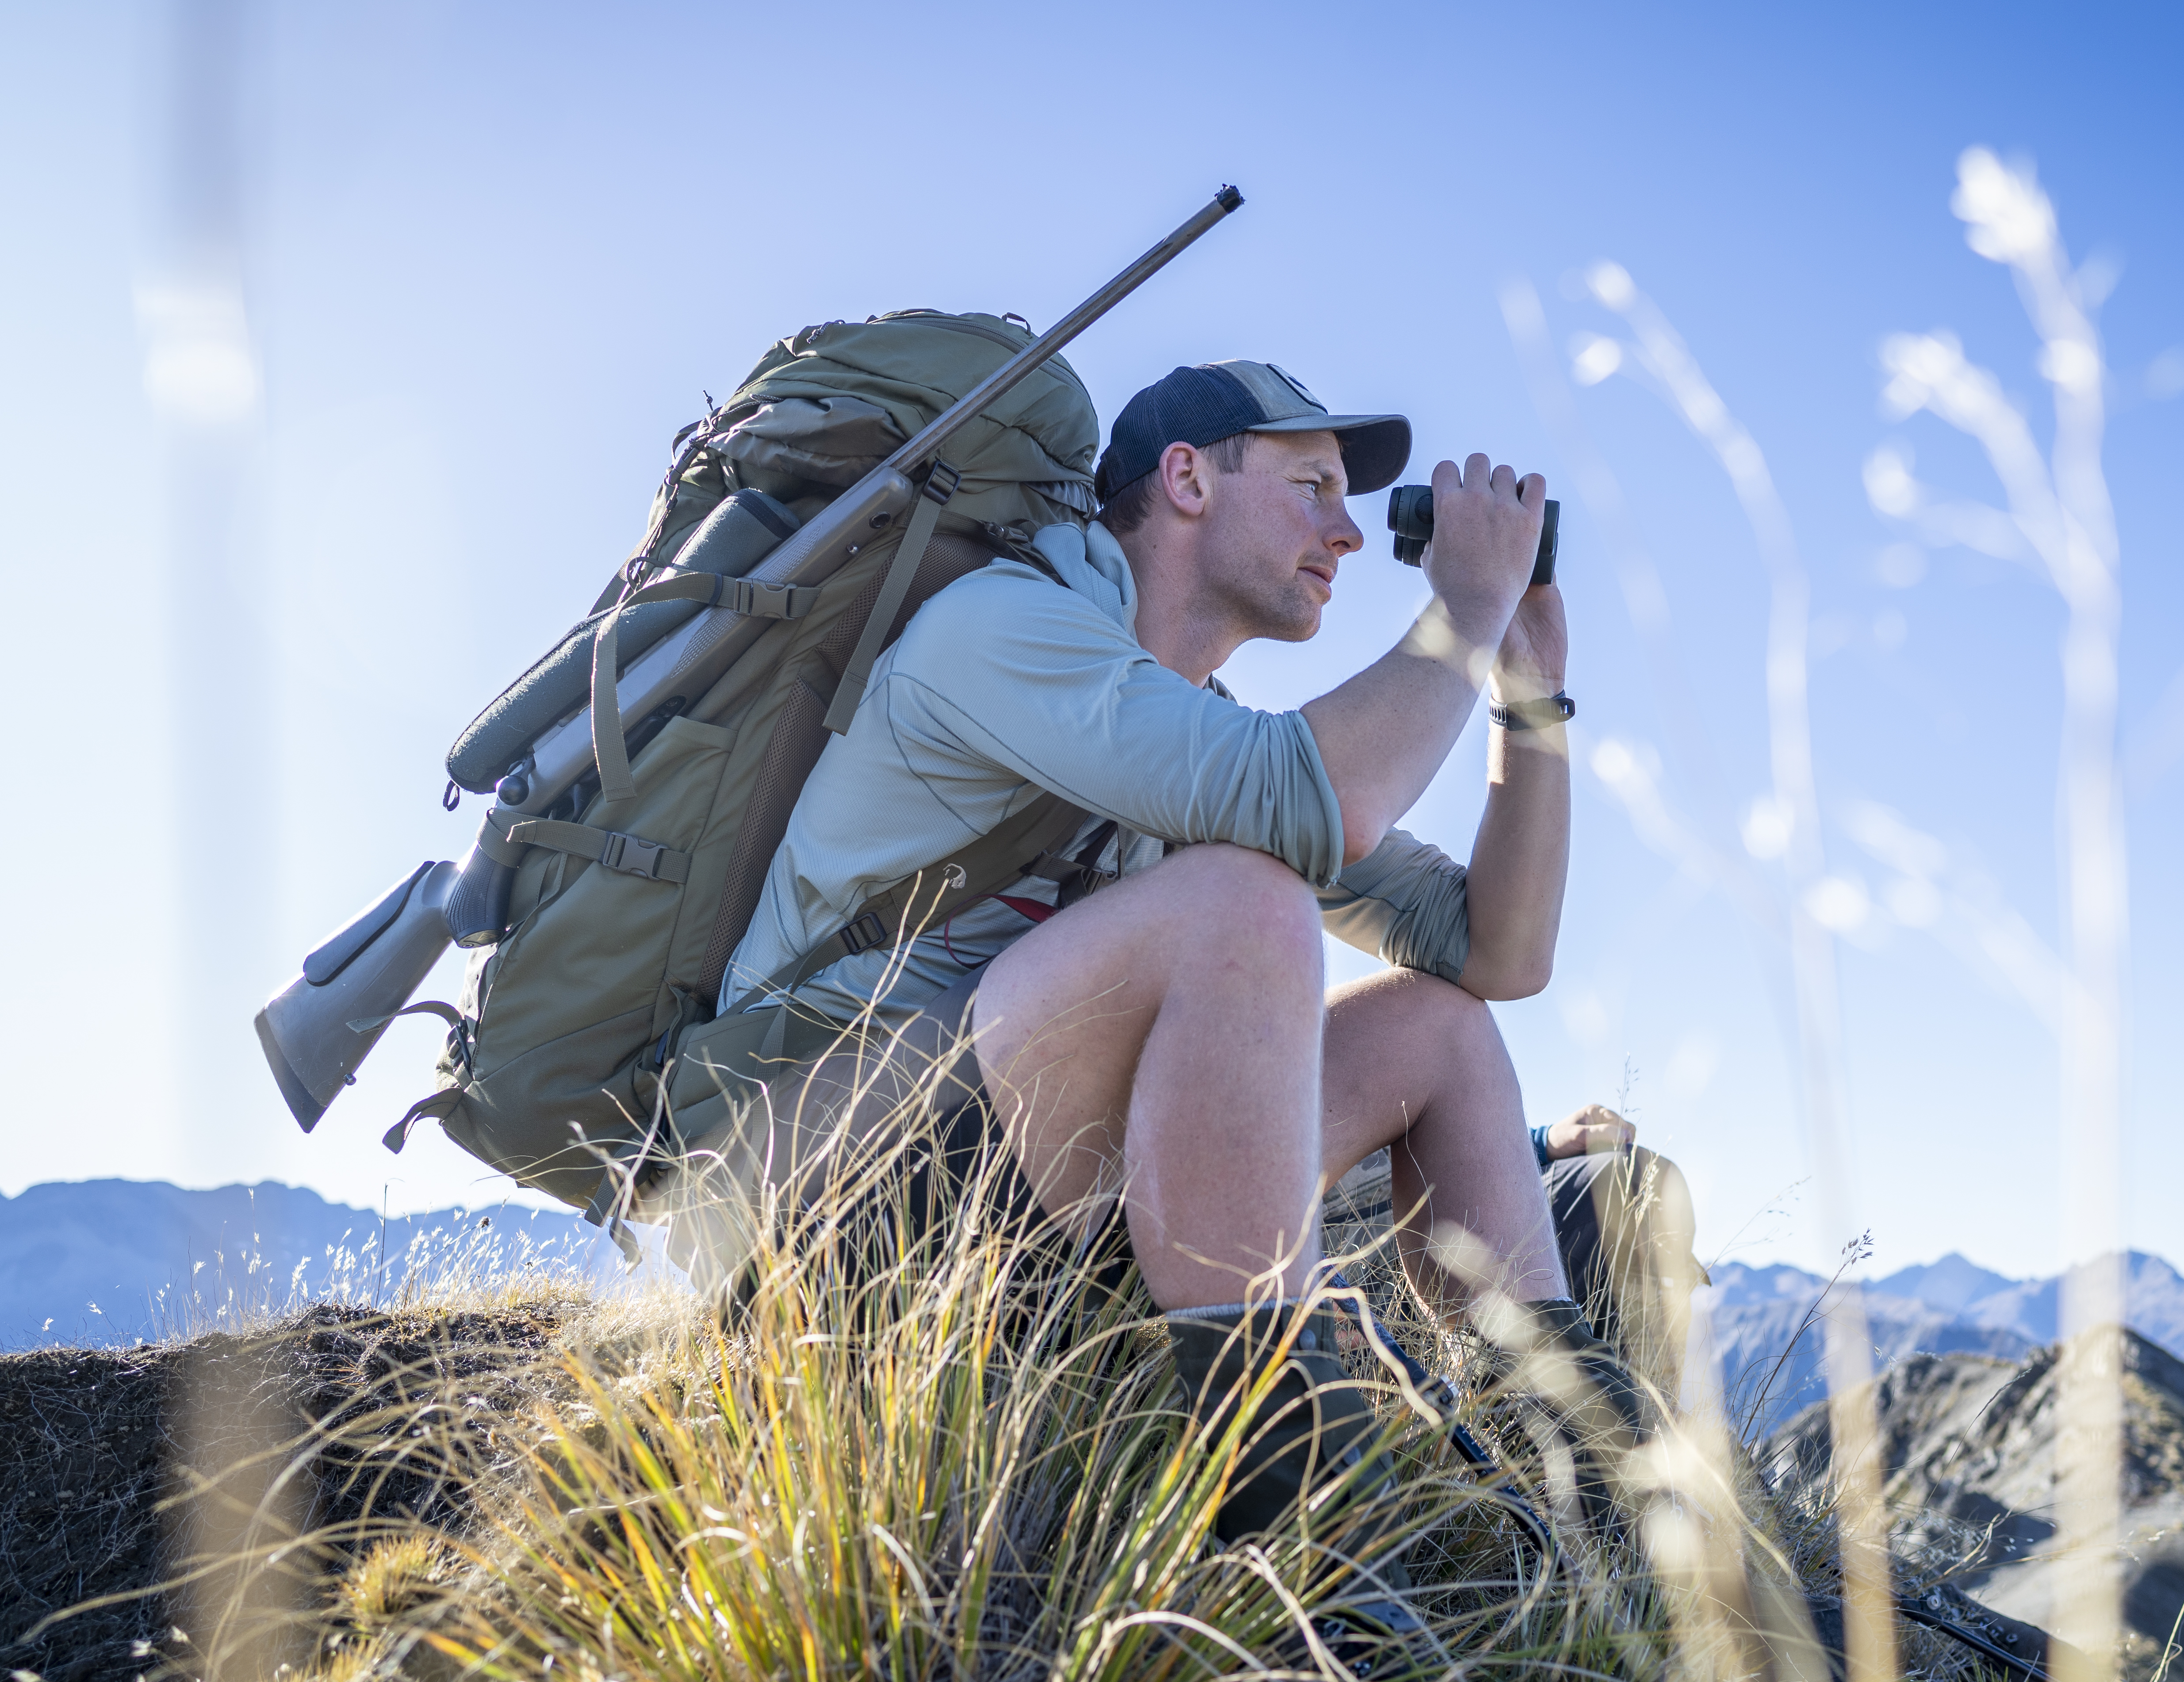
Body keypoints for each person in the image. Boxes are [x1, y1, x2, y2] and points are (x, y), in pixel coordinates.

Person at [655, 359, 1647, 1639]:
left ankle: (1597, 1519)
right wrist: (1461, 602)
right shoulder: (1002, 631)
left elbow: (1496, 955)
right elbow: (1317, 804)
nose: (1348, 533)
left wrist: (1527, 694)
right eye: (1311, 488)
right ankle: (1298, 1551)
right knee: (1243, 900)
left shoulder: (1202, 738)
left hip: (1013, 1209)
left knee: (1439, 1030)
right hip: (822, 1226)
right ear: (1186, 478)